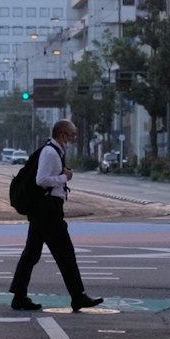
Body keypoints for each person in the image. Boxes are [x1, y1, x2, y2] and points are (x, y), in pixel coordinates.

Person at [8, 119, 103, 312]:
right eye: (71, 135)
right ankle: (78, 296)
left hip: (43, 209)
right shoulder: (51, 153)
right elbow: (41, 180)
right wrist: (64, 177)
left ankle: (19, 296)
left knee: (31, 253)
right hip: (47, 210)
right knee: (65, 253)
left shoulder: (53, 151)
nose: (73, 138)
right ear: (61, 135)